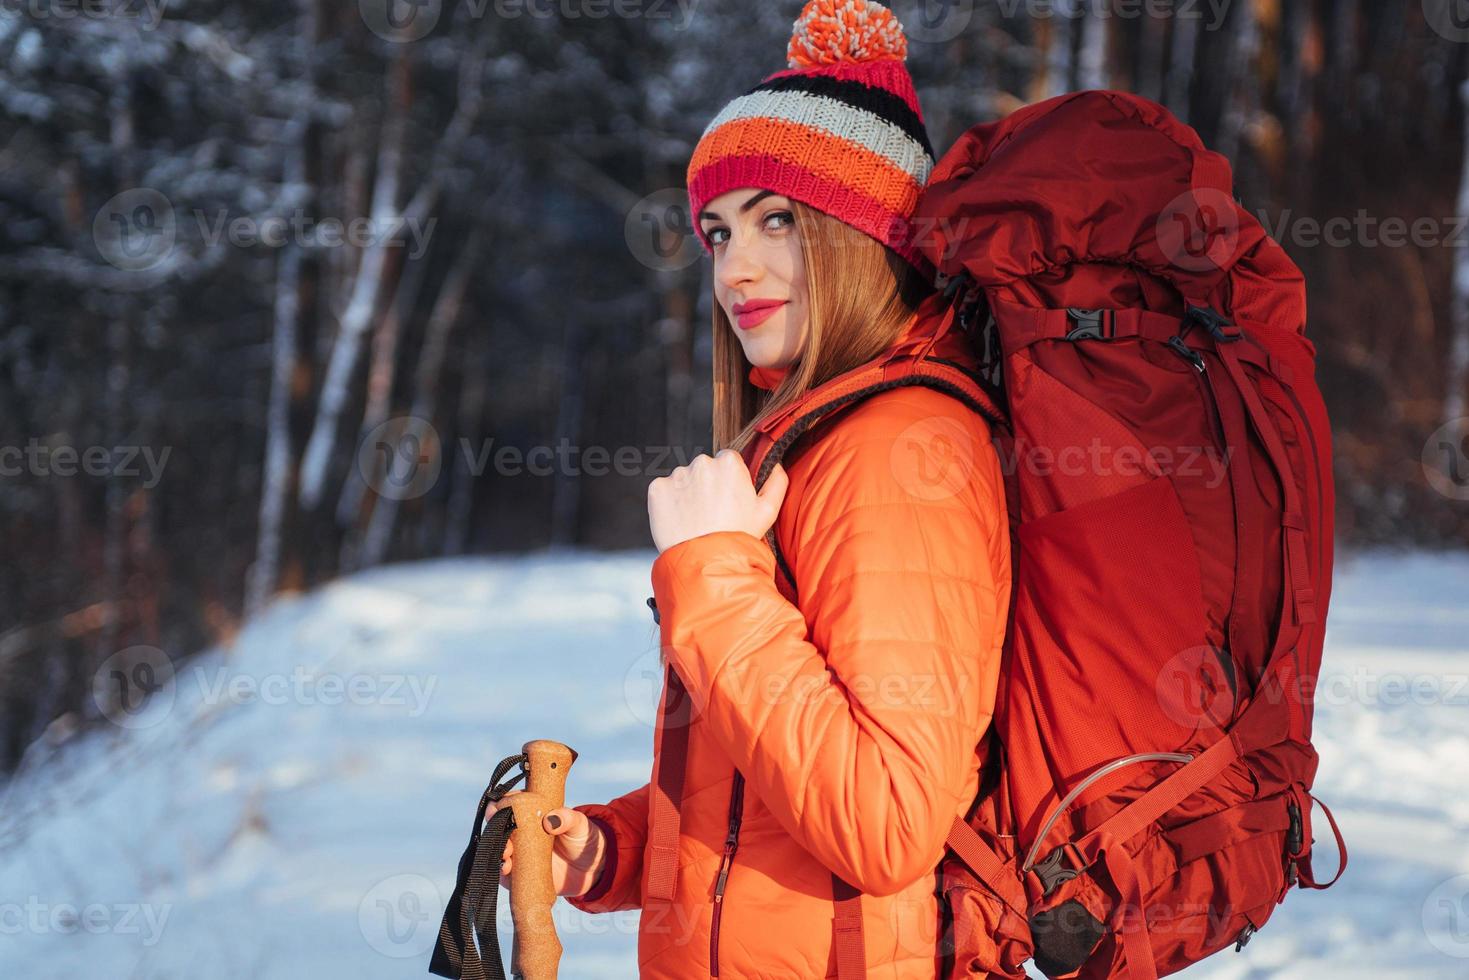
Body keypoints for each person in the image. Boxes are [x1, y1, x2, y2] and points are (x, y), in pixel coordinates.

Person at [493, 1, 1010, 975]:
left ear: (865, 236)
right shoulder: (820, 439)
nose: (737, 267)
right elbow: (768, 781)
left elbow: (885, 818)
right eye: (719, 233)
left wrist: (717, 582)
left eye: (778, 220)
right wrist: (608, 848)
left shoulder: (901, 450)